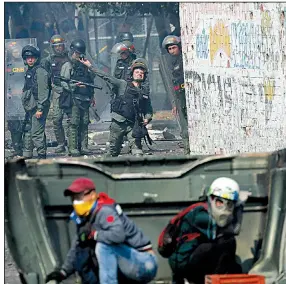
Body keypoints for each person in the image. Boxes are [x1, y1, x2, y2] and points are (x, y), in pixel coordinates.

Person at [45, 177, 158, 284]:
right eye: (73, 198)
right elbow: (77, 246)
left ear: (93, 195)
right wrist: (63, 272)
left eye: (79, 197)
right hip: (126, 265)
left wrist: (94, 234)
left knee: (103, 246)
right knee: (84, 249)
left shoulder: (105, 211)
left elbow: (118, 235)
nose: (76, 202)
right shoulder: (84, 218)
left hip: (144, 263)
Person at [159, 177, 248, 284]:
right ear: (211, 199)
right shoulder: (201, 214)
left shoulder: (203, 210)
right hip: (183, 263)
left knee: (233, 263)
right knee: (226, 242)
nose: (223, 209)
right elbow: (232, 231)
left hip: (186, 259)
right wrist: (240, 207)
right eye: (219, 202)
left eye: (229, 204)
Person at [80, 57, 153, 157]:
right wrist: (90, 66)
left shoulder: (144, 92)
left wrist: (147, 119)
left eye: (141, 73)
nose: (139, 74)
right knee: (112, 152)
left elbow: (148, 109)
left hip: (133, 125)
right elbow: (106, 76)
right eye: (137, 71)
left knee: (137, 151)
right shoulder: (122, 84)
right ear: (132, 74)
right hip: (118, 123)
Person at [60, 39, 95, 156]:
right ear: (72, 52)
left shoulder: (85, 64)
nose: (78, 55)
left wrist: (89, 66)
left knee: (84, 123)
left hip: (85, 98)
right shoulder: (68, 65)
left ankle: (84, 146)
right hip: (74, 98)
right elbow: (63, 83)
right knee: (74, 123)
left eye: (79, 53)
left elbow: (92, 79)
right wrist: (75, 86)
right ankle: (73, 148)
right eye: (76, 53)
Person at [21, 45, 51, 159]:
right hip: (32, 106)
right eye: (27, 57)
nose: (30, 59)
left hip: (39, 106)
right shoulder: (30, 71)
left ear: (36, 58)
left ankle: (41, 156)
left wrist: (40, 109)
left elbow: (43, 92)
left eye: (32, 57)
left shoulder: (40, 71)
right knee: (36, 130)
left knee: (36, 133)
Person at [42, 34, 70, 154]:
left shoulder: (70, 57)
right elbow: (45, 77)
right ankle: (61, 143)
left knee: (71, 120)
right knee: (57, 119)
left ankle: (73, 143)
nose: (59, 48)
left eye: (60, 45)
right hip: (57, 92)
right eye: (56, 46)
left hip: (70, 92)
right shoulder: (48, 60)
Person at [162, 35, 190, 155]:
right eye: (170, 49)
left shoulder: (186, 58)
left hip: (189, 94)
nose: (172, 51)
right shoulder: (169, 63)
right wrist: (174, 103)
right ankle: (187, 147)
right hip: (179, 95)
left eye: (174, 47)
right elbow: (170, 84)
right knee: (183, 123)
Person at [5, 42, 25, 157]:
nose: (16, 53)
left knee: (24, 124)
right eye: (14, 51)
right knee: (13, 124)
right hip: (11, 99)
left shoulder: (26, 63)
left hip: (23, 98)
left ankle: (26, 147)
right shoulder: (5, 64)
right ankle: (16, 147)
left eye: (18, 51)